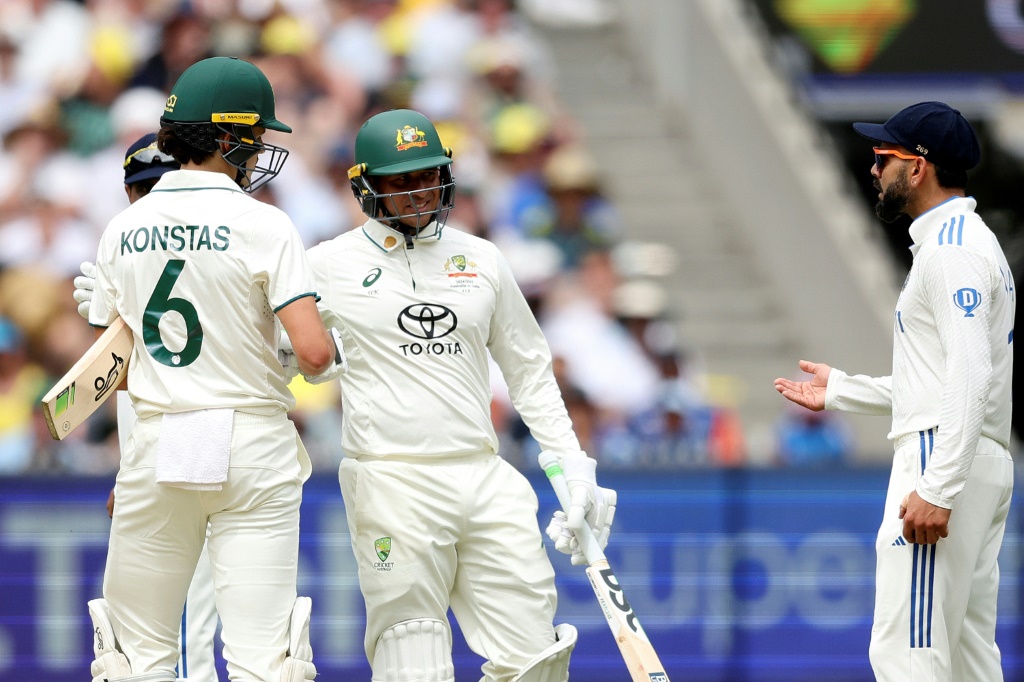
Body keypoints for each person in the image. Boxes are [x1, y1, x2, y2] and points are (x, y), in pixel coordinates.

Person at [297, 108, 616, 681]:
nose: (418, 192)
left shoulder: (483, 259)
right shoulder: (324, 265)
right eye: (400, 181)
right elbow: (267, 355)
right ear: (366, 188)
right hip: (390, 476)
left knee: (536, 656)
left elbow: (530, 370)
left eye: (427, 176)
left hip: (481, 470)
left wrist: (572, 463)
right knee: (411, 650)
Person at [83, 56, 334, 682]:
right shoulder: (265, 223)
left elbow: (113, 366)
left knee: (137, 661)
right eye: (252, 137)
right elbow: (314, 354)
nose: (257, 151)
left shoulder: (122, 229)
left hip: (159, 439)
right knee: (262, 663)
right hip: (251, 442)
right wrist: (288, 348)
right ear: (226, 137)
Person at [774, 102, 1015, 681]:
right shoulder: (959, 244)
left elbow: (968, 373)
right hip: (973, 455)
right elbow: (940, 378)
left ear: (919, 167)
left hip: (943, 458)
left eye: (884, 157)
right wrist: (844, 391)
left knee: (907, 654)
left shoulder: (954, 249)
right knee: (965, 660)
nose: (873, 168)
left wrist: (938, 485)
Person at [76, 132, 221, 682]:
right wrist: (130, 466)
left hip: (200, 445)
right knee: (145, 630)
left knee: (188, 627)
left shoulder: (207, 246)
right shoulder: (126, 251)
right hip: (156, 451)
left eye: (163, 185)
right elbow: (121, 384)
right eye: (143, 190)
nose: (155, 199)